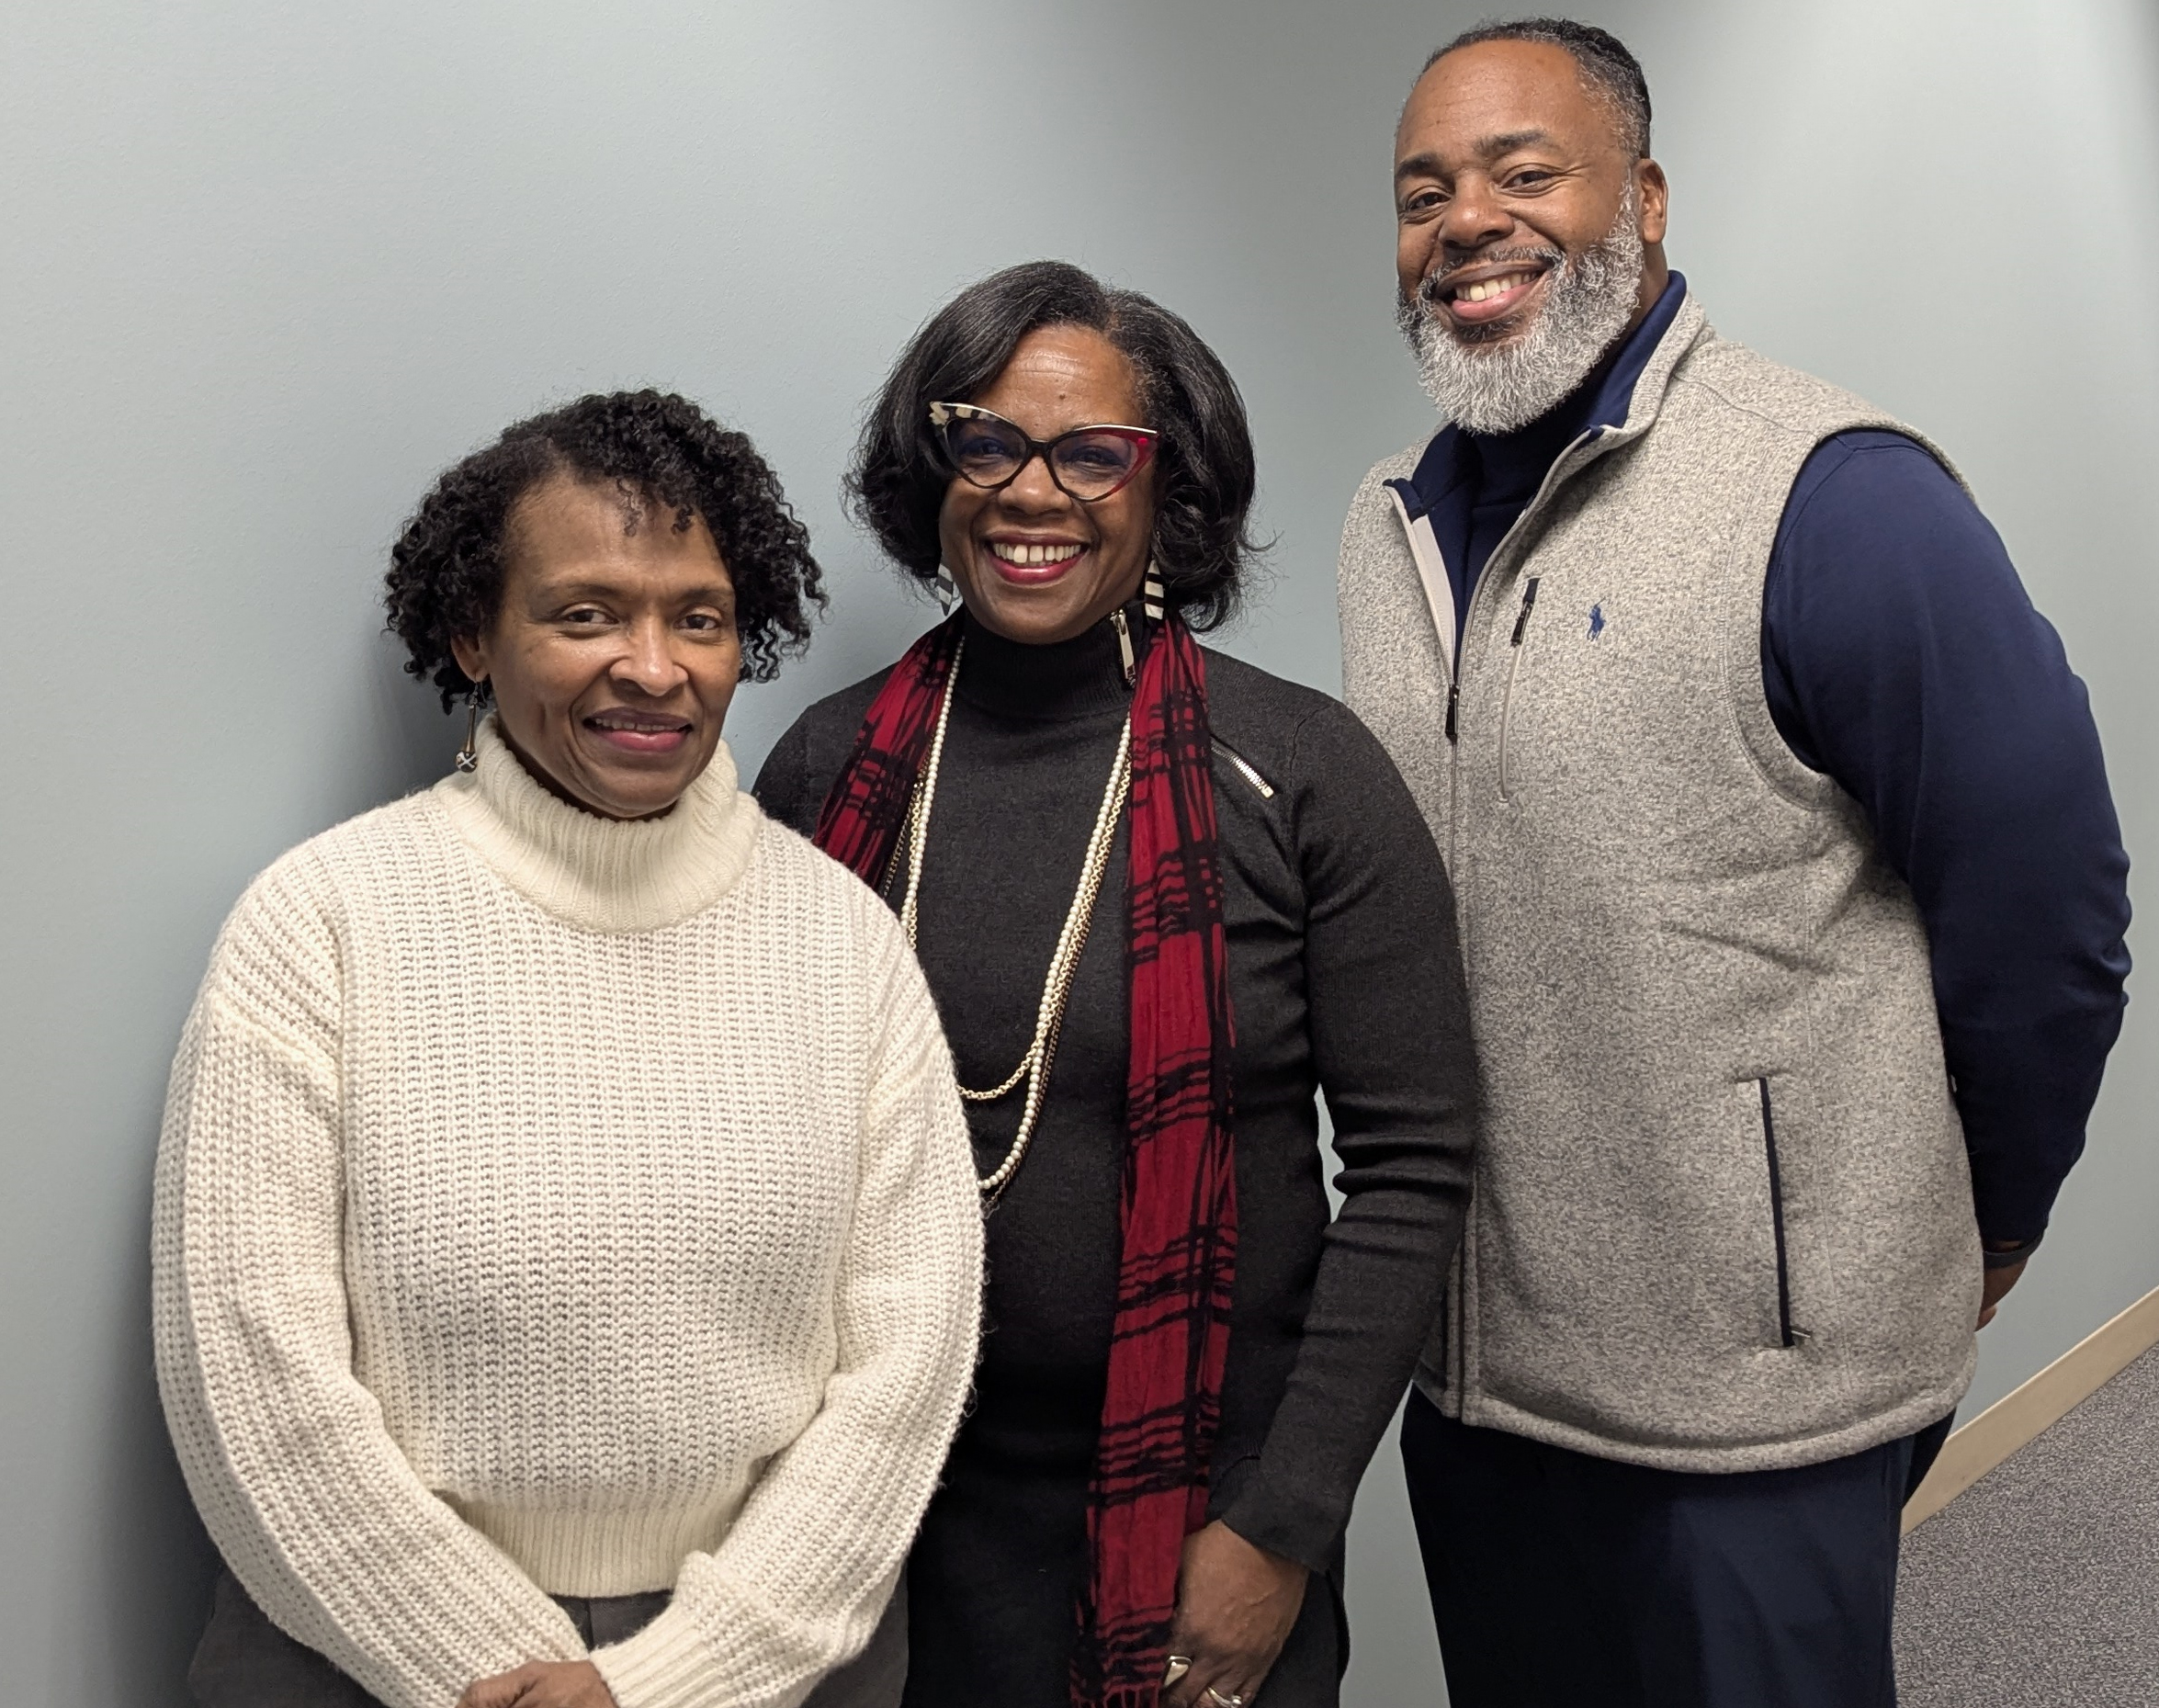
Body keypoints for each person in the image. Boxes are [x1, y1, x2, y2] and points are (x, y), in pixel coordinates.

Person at [1338, 17, 2133, 1707]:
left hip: (1757, 1410)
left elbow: (2047, 911)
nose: (1463, 219)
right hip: (1478, 1380)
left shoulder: (1833, 498)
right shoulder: (1383, 529)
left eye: (1521, 171)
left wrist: (1977, 1225)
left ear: (1645, 198)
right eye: (1422, 193)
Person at [153, 390, 983, 1708]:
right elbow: (249, 1377)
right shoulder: (320, 924)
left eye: (697, 617)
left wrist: (672, 1681)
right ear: (474, 634)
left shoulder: (844, 940)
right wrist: (499, 1669)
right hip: (356, 1645)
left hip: (768, 1659)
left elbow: (907, 1362)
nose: (652, 667)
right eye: (585, 612)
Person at [755, 260, 1477, 1708]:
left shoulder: (1300, 772)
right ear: (932, 468)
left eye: (1095, 453)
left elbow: (1415, 1164)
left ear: (1167, 495)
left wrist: (1279, 1524)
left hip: (1200, 1507)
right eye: (987, 439)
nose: (1034, 492)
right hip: (877, 1513)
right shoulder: (828, 774)